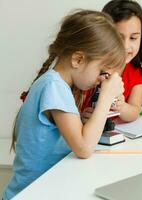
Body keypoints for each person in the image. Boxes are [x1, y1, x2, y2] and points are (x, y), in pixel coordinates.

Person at [3, 10, 125, 200]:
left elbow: (72, 139)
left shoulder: (55, 84)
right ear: (78, 59)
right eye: (102, 71)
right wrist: (106, 97)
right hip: (32, 194)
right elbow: (84, 148)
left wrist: (87, 122)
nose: (102, 80)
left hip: (47, 188)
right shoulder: (54, 87)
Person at [80, 0, 142, 123]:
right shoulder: (89, 68)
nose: (126, 46)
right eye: (118, 38)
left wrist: (122, 107)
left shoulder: (136, 73)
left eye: (133, 38)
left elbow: (135, 111)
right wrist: (80, 117)